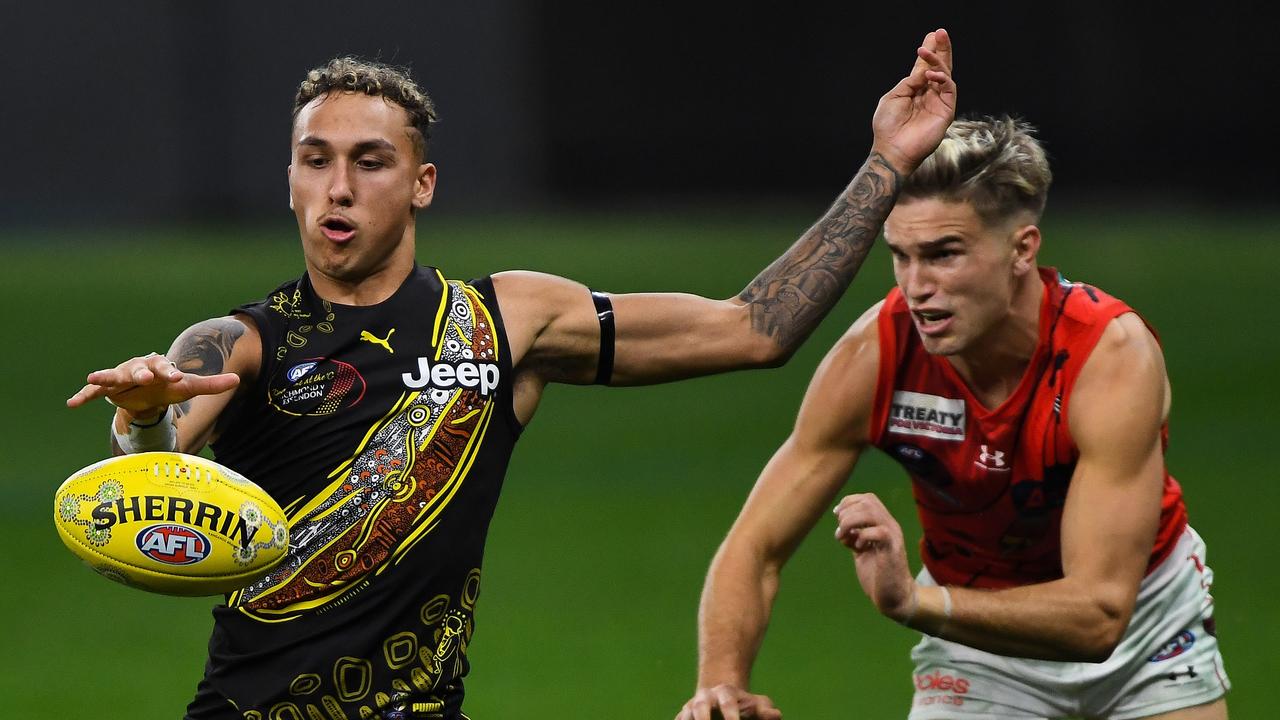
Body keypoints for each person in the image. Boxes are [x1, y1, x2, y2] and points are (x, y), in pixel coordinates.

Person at [65, 30, 956, 720]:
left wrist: (888, 163)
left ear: (422, 184)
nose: (337, 188)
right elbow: (149, 470)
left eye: (369, 162)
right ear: (291, 178)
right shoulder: (237, 342)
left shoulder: (507, 323)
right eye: (315, 159)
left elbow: (755, 329)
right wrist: (144, 415)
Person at [679, 116, 1229, 720]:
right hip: (979, 645)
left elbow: (1099, 614)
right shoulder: (878, 354)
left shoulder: (1107, 357)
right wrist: (720, 685)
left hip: (1144, 637)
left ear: (1022, 249)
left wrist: (913, 603)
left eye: (943, 255)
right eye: (902, 257)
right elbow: (755, 545)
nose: (917, 287)